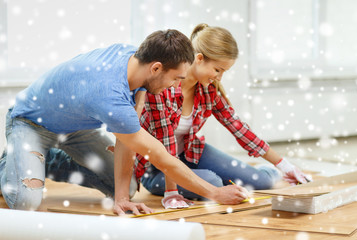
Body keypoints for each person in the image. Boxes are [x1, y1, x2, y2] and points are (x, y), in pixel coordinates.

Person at [0, 29, 250, 215]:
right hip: (30, 122)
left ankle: (47, 161)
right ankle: (12, 164)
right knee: (27, 204)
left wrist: (121, 199)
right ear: (156, 68)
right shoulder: (110, 95)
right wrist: (215, 193)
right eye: (175, 79)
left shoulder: (136, 57)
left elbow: (126, 136)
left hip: (75, 128)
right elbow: (160, 156)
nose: (176, 86)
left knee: (127, 187)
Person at [134, 24, 310, 209]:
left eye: (224, 71)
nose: (219, 77)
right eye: (218, 70)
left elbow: (238, 128)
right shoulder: (163, 87)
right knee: (214, 183)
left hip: (190, 152)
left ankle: (266, 172)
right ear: (199, 58)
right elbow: (166, 143)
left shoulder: (208, 91)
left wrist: (285, 165)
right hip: (157, 168)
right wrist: (172, 193)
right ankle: (204, 180)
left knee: (262, 181)